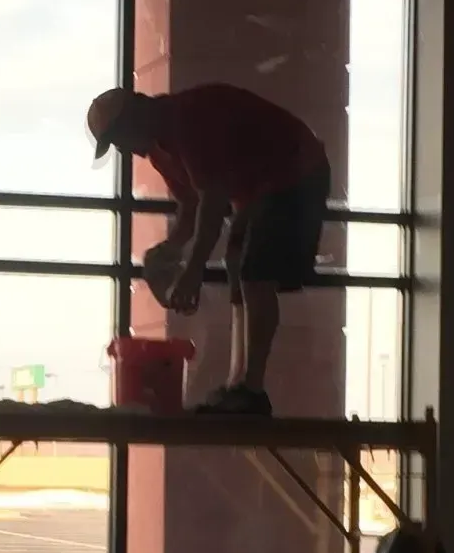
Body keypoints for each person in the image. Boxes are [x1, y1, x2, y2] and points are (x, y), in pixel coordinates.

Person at [87, 82, 331, 416]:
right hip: (264, 184)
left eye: (118, 140)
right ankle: (241, 384)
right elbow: (190, 206)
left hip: (294, 173)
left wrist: (192, 269)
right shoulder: (160, 147)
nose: (123, 149)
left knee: (255, 275)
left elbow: (213, 204)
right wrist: (171, 248)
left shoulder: (186, 121)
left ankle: (250, 390)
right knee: (239, 266)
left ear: (134, 119)